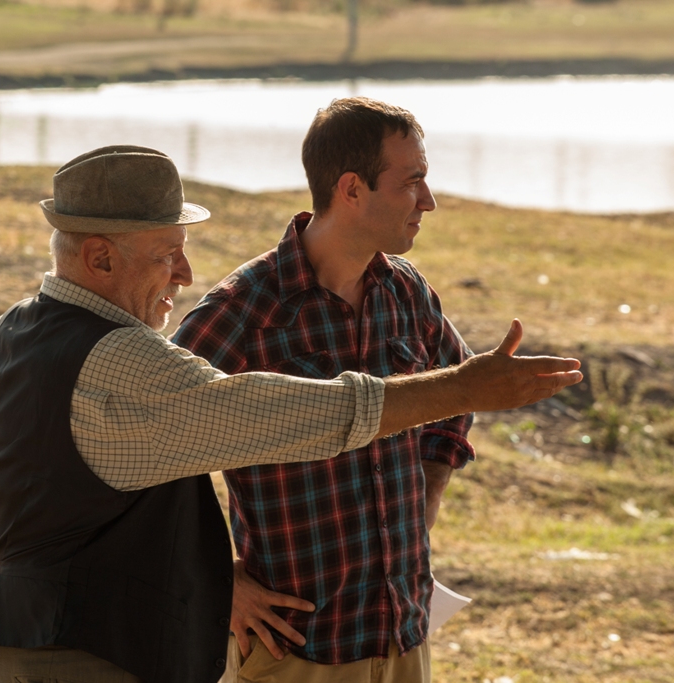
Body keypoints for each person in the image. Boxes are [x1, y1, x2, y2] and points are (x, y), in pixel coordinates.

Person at [0, 144, 581, 683]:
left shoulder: (6, 333)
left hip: (12, 646)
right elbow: (286, 413)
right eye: (168, 253)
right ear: (100, 257)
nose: (185, 274)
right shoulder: (128, 363)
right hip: (91, 660)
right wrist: (462, 387)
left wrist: (13, 556)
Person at [171, 97, 514, 682]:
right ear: (352, 189)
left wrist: (427, 498)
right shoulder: (244, 311)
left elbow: (458, 398)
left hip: (402, 636)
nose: (428, 201)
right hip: (294, 653)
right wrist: (217, 578)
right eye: (413, 182)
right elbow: (149, 442)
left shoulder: (407, 292)